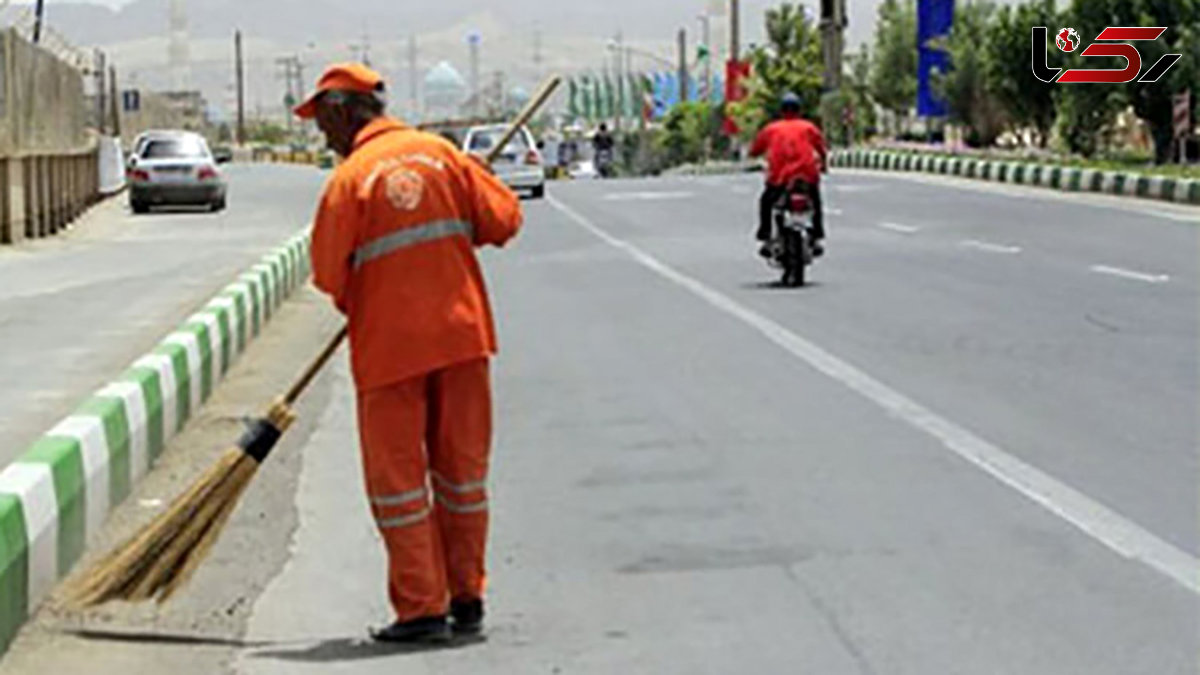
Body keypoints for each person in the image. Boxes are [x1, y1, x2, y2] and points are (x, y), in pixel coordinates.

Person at [296, 63, 523, 644]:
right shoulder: (443, 155)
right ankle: (466, 595)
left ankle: (423, 608)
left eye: (322, 121)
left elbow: (327, 275)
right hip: (463, 339)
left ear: (344, 111)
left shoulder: (349, 181)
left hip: (390, 351)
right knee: (462, 477)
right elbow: (504, 222)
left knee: (398, 486)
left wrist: (367, 295)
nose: (322, 135)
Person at [749, 92, 828, 257]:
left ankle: (765, 234)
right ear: (799, 110)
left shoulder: (771, 129)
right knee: (815, 202)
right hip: (806, 176)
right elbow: (822, 149)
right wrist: (823, 165)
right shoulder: (809, 127)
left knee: (766, 202)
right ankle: (817, 235)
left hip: (780, 179)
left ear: (782, 110)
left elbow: (755, 150)